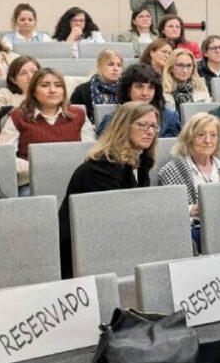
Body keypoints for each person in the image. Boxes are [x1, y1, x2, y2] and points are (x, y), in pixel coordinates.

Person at [62, 102, 158, 277]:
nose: (150, 131)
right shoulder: (102, 166)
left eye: (153, 126)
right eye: (142, 125)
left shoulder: (141, 160)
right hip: (83, 254)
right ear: (123, 126)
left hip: (116, 242)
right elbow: (111, 224)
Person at [0, 68, 95, 194]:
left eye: (58, 85)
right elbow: (5, 156)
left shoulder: (78, 114)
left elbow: (89, 152)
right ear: (33, 92)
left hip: (74, 180)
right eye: (45, 85)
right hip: (31, 182)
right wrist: (41, 168)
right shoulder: (17, 117)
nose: (52, 90)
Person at [157, 112, 220, 250]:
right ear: (189, 138)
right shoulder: (172, 170)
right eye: (201, 135)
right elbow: (167, 214)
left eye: (213, 135)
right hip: (191, 232)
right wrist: (193, 209)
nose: (208, 141)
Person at [97, 64, 181, 138]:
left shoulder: (169, 118)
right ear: (128, 90)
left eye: (151, 88)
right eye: (139, 87)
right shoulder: (112, 120)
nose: (145, 93)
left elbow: (173, 150)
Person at [70, 50, 123, 123]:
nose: (116, 69)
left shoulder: (125, 91)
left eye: (119, 65)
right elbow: (73, 119)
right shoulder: (82, 91)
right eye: (110, 64)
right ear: (100, 66)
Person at [0, 56, 39, 120]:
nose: (30, 76)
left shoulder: (49, 94)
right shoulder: (4, 95)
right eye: (23, 73)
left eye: (34, 72)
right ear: (13, 80)